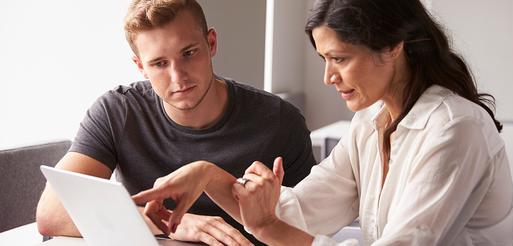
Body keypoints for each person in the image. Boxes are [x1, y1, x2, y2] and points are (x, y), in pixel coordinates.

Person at [132, 0, 513, 245]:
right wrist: (205, 174)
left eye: (341, 59)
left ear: (393, 47)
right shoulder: (371, 122)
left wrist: (268, 227)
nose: (328, 77)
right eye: (323, 60)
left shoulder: (454, 128)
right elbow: (297, 209)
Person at [35, 0, 316, 245]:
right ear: (140, 66)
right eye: (159, 63)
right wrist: (171, 224)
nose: (178, 77)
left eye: (189, 53)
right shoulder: (116, 111)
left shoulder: (280, 120)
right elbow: (52, 214)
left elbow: (312, 231)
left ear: (212, 43)